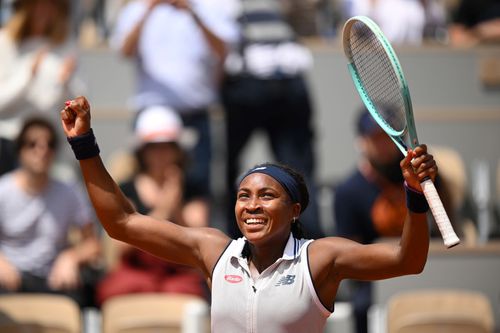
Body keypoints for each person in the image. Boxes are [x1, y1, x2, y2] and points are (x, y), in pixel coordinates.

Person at [61, 96, 437, 332]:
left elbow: (409, 259)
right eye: (243, 195)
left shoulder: (321, 258)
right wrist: (83, 144)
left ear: (295, 210)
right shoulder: (213, 251)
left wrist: (415, 195)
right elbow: (121, 222)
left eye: (266, 196)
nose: (251, 205)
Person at [333, 108, 454, 333]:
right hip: (377, 277)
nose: (384, 145)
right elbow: (350, 259)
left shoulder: (424, 175)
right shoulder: (347, 192)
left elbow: (446, 224)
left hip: (430, 267)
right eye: (376, 137)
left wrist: (431, 181)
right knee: (361, 307)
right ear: (361, 142)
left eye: (389, 137)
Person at [110, 0, 238, 201]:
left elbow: (223, 51)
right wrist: (149, 9)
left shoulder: (211, 6)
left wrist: (193, 13)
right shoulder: (136, 8)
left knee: (196, 188)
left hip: (195, 114)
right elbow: (125, 50)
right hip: (150, 114)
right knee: (143, 188)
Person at [221, 0, 323, 239]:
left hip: (252, 84)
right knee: (300, 174)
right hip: (286, 84)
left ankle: (232, 244)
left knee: (227, 170)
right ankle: (310, 247)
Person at [96, 106, 208, 305]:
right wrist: (163, 210)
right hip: (136, 274)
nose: (161, 154)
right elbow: (120, 244)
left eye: (167, 146)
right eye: (154, 147)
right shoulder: (126, 189)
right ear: (142, 151)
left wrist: (176, 206)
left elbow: (198, 241)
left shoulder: (192, 188)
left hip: (177, 275)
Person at [0, 116, 101, 308]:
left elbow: (93, 245)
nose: (42, 150)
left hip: (54, 279)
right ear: (19, 150)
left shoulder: (69, 192)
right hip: (9, 279)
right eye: (32, 144)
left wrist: (71, 257)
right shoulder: (3, 191)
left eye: (49, 144)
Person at [0, 0, 85, 142]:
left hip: (50, 142)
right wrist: (28, 76)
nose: (44, 9)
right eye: (37, 3)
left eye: (51, 3)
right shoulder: (5, 41)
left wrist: (65, 84)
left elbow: (79, 103)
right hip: (10, 138)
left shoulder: (67, 44)